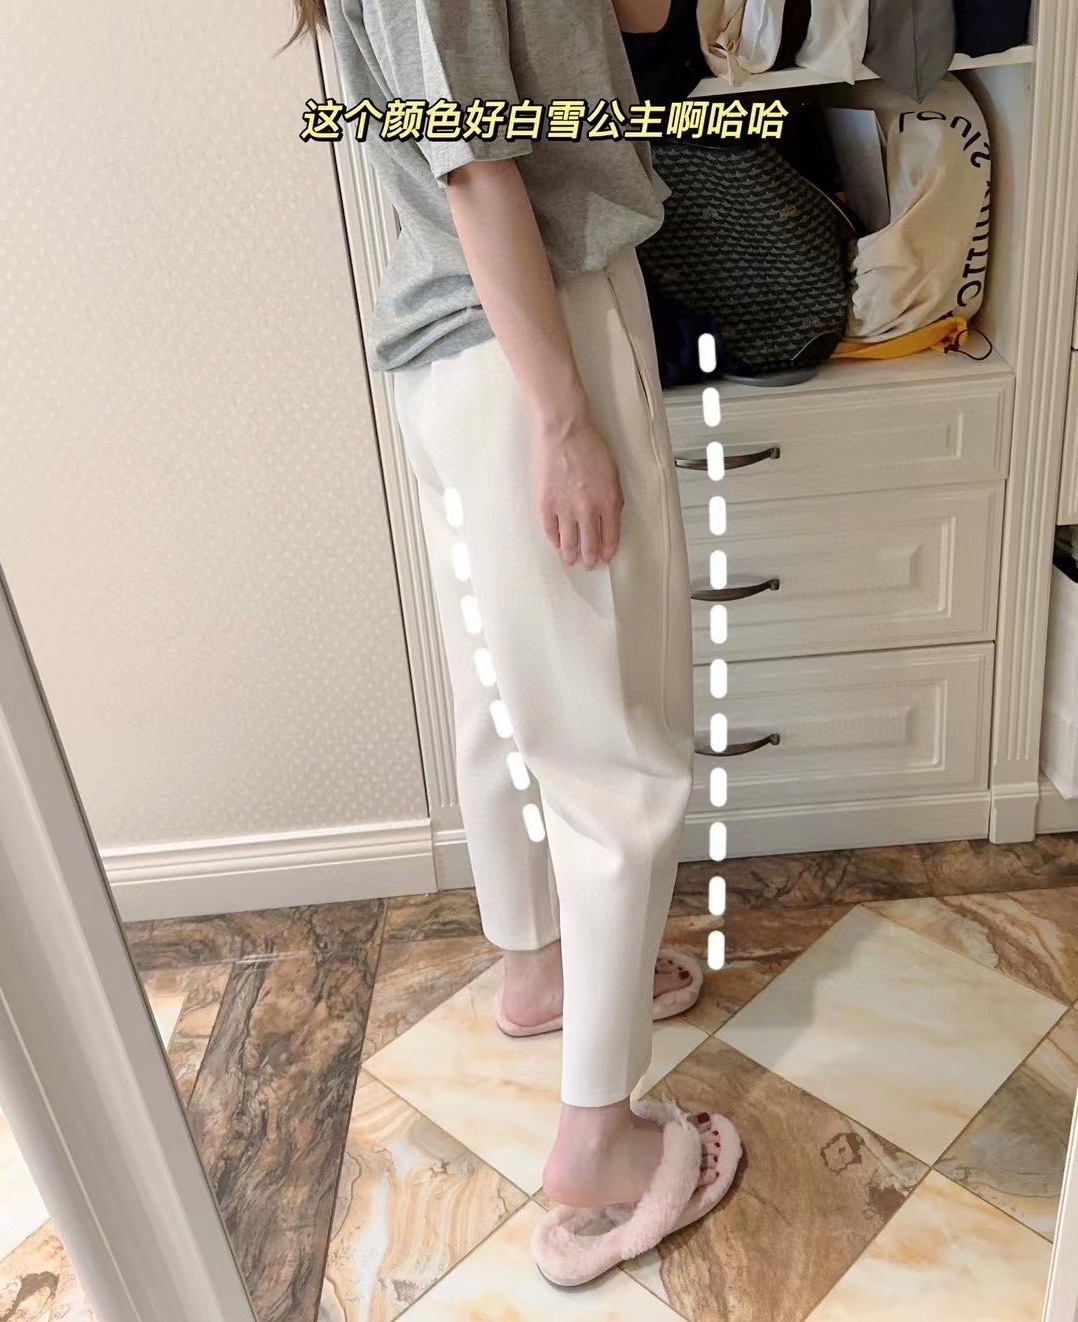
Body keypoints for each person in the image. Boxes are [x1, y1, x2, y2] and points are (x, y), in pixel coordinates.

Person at [292, 0, 741, 1284]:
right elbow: (477, 163)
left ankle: (538, 974)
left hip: (473, 339)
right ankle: (597, 1144)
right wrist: (565, 420)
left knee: (504, 700)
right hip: (532, 329)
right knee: (618, 759)